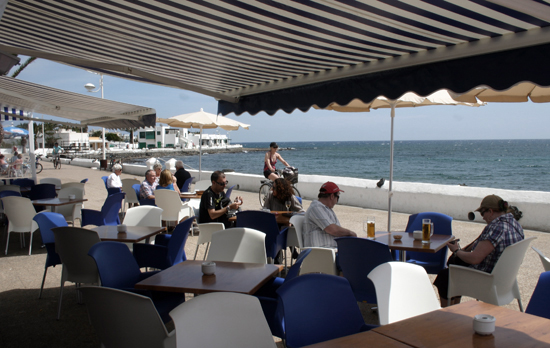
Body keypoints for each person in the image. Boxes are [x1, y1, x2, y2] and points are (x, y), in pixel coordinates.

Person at [433, 194, 524, 307]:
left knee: (444, 276)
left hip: (488, 281)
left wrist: (456, 251)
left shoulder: (496, 228)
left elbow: (475, 259)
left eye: (482, 213)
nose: (482, 217)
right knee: (455, 267)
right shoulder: (515, 225)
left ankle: (447, 315)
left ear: (490, 211)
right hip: (506, 280)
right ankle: (453, 309)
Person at [303, 181, 357, 249]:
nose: (337, 200)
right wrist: (351, 233)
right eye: (338, 197)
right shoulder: (316, 208)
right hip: (321, 253)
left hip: (331, 250)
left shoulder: (326, 209)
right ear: (332, 196)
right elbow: (332, 230)